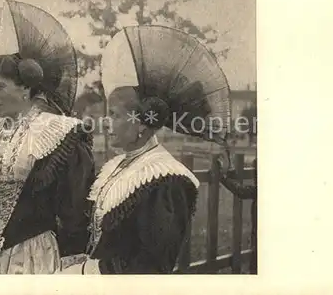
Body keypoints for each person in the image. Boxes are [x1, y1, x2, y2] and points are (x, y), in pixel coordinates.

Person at [59, 25, 232, 274]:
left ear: (140, 122)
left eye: (114, 115)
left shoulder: (166, 178)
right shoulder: (116, 166)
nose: (106, 123)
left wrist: (89, 272)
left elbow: (152, 265)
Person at [0, 0, 95, 274]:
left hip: (36, 258)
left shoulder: (59, 133)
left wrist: (72, 269)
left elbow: (74, 212)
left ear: (25, 88)